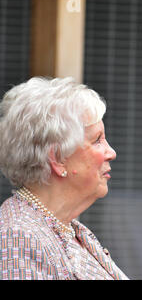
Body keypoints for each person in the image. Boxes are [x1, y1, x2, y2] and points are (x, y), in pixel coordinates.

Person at [0, 77, 128, 280]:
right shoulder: (18, 237)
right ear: (58, 159)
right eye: (97, 140)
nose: (111, 152)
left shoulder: (67, 228)